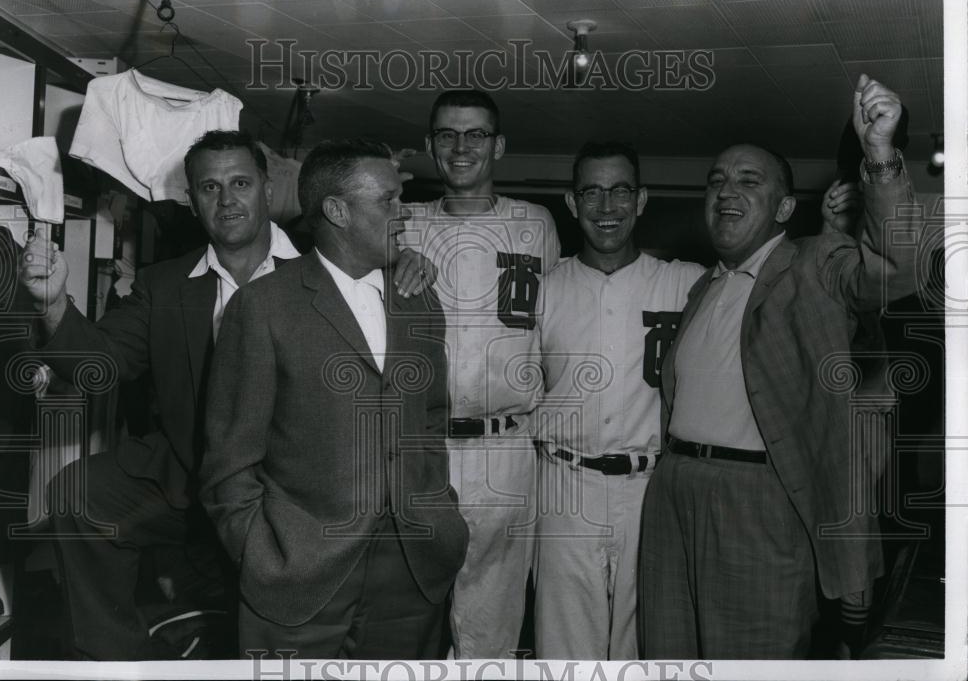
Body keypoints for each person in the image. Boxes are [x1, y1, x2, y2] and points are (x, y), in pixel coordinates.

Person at [17, 130, 431, 659]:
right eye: (209, 187)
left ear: (267, 188)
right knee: (80, 493)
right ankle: (118, 663)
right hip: (186, 472)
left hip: (296, 490)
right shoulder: (165, 285)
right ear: (191, 200)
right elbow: (99, 366)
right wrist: (52, 304)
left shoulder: (331, 266)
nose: (227, 199)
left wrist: (407, 263)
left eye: (240, 182)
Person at [639, 74, 922, 659]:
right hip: (673, 493)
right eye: (716, 179)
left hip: (759, 503)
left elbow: (896, 269)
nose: (726, 190)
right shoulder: (702, 289)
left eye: (749, 180)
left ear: (785, 207)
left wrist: (880, 157)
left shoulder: (816, 263)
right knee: (666, 656)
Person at [199, 139, 468, 659]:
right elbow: (228, 463)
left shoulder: (419, 300)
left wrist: (441, 515)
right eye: (388, 201)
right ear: (337, 210)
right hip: (298, 579)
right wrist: (263, 556)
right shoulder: (263, 306)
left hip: (413, 570)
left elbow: (432, 422)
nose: (404, 213)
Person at [401, 90, 561, 658]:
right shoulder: (400, 225)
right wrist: (389, 259)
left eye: (476, 135)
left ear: (500, 146)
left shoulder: (535, 224)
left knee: (492, 622)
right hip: (422, 447)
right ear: (429, 146)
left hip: (506, 449)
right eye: (447, 134)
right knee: (411, 611)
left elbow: (552, 334)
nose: (461, 147)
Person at [533, 142, 706, 659]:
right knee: (564, 652)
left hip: (650, 489)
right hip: (564, 488)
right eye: (592, 191)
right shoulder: (543, 289)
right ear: (571, 202)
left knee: (645, 646)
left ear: (643, 198)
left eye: (620, 191)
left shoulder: (686, 282)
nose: (606, 207)